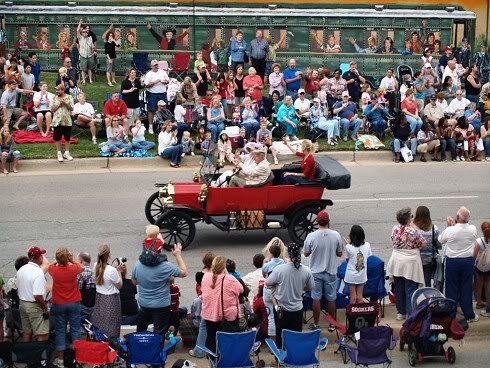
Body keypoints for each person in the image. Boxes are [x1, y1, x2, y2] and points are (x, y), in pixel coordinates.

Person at [132, 225, 188, 335]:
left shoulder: (137, 265)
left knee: (141, 331)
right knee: (159, 333)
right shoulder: (166, 266)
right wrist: (178, 255)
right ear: (159, 250)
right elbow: (184, 272)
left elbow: (135, 282)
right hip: (161, 306)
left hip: (144, 304)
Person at [266, 243, 313, 347]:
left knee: (280, 335)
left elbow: (268, 283)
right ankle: (294, 357)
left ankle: (279, 359)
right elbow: (310, 287)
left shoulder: (279, 269)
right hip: (297, 309)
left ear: (288, 254)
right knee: (296, 336)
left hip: (282, 310)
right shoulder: (306, 270)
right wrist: (300, 287)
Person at [303, 210, 342, 330]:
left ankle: (316, 323)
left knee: (316, 298)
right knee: (331, 298)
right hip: (331, 270)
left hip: (316, 271)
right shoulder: (336, 235)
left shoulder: (311, 236)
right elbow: (340, 253)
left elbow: (305, 253)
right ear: (328, 222)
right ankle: (331, 324)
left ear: (317, 222)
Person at [439, 207, 478, 322]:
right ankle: (469, 314)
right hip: (467, 261)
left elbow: (441, 240)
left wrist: (449, 226)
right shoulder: (472, 229)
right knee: (466, 287)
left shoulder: (451, 230)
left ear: (457, 217)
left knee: (451, 288)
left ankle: (451, 314)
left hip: (453, 261)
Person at [387, 207, 427, 320]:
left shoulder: (395, 228)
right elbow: (423, 244)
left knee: (399, 288)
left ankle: (401, 312)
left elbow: (392, 239)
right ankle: (411, 314)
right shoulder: (413, 231)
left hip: (397, 261)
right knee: (410, 289)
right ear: (409, 219)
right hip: (410, 263)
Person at [48, 248, 83, 368]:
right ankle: (77, 358)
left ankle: (61, 359)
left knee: (60, 330)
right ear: (67, 258)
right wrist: (72, 260)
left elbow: (50, 265)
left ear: (58, 259)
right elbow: (81, 267)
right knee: (75, 329)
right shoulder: (74, 268)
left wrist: (57, 260)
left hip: (59, 303)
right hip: (73, 302)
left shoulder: (53, 269)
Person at [201, 256, 243, 352]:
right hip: (227, 317)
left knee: (212, 341)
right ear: (224, 267)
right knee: (228, 344)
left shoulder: (206, 277)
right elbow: (241, 289)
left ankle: (214, 362)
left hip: (209, 316)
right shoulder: (230, 279)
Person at [16, 246, 49, 343]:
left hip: (22, 304)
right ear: (39, 258)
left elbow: (18, 288)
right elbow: (37, 295)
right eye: (42, 255)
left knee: (27, 332)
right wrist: (44, 307)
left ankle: (27, 355)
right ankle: (38, 356)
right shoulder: (38, 272)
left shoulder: (21, 269)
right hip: (34, 305)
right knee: (42, 334)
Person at [91, 244, 124, 339]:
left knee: (101, 320)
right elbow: (119, 285)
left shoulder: (96, 265)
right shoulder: (112, 270)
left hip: (100, 297)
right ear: (109, 255)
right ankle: (111, 342)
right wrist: (119, 272)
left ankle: (101, 339)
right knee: (112, 322)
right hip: (111, 299)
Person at [412, 206, 441, 288]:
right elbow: (438, 245)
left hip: (416, 259)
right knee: (426, 282)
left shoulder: (414, 229)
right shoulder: (434, 229)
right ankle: (426, 298)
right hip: (429, 260)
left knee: (414, 282)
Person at [344, 225, 372, 304]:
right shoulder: (367, 245)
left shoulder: (348, 247)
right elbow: (369, 257)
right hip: (362, 274)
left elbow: (347, 259)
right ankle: (360, 314)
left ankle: (352, 315)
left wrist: (348, 244)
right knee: (360, 297)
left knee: (352, 297)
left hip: (351, 275)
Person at [50, 83, 74, 163]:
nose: (57, 91)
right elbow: (52, 110)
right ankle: (59, 153)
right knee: (57, 138)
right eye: (56, 89)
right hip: (57, 121)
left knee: (67, 138)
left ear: (63, 90)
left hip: (67, 121)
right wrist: (59, 104)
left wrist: (65, 103)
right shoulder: (54, 98)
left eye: (58, 89)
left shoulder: (69, 97)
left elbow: (71, 108)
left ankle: (67, 153)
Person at [144, 60, 170, 134]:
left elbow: (168, 80)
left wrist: (165, 82)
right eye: (155, 65)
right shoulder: (149, 74)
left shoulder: (162, 72)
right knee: (151, 110)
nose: (156, 66)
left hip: (162, 93)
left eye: (157, 65)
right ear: (151, 66)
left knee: (164, 109)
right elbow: (147, 85)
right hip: (153, 94)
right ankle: (150, 126)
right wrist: (156, 81)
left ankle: (164, 126)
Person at [474, 222, 490, 317]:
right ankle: (488, 305)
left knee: (479, 283)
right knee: (488, 284)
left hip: (479, 266)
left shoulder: (479, 241)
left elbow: (474, 255)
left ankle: (479, 302)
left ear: (482, 229)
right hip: (489, 266)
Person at [77, 252, 95, 322]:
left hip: (81, 305)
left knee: (80, 326)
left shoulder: (77, 274)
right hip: (93, 306)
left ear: (81, 261)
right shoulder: (95, 274)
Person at [76, 20, 95, 84]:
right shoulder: (80, 38)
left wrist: (92, 52)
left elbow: (93, 46)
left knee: (90, 69)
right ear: (82, 33)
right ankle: (83, 80)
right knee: (83, 69)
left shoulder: (90, 38)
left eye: (86, 32)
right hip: (83, 55)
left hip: (89, 55)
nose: (85, 33)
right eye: (83, 32)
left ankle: (90, 80)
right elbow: (77, 30)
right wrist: (80, 23)